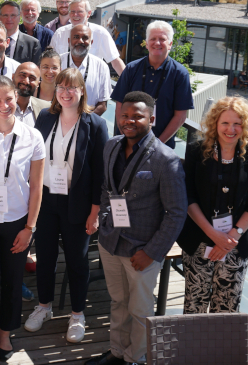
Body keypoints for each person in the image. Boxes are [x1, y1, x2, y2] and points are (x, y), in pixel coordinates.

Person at [87, 91, 187, 365]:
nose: (129, 121)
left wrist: (153, 252)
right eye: (125, 116)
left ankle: (135, 358)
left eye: (137, 116)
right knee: (118, 302)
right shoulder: (112, 145)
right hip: (110, 242)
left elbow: (176, 213)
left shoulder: (167, 161)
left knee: (140, 309)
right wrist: (105, 221)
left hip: (141, 250)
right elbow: (107, 189)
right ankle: (118, 352)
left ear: (152, 119)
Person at [26, 68, 109, 343]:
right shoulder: (45, 117)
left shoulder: (95, 125)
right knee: (45, 257)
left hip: (78, 203)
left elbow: (101, 173)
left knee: (77, 261)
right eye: (61, 86)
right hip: (46, 200)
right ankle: (45, 306)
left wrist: (95, 212)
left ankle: (77, 314)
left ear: (82, 90)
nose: (65, 92)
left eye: (72, 87)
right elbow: (34, 160)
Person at [0, 76, 45, 364]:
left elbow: (37, 186)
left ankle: (5, 334)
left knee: (13, 282)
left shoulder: (32, 137)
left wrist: (30, 228)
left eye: (9, 99)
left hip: (18, 222)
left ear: (17, 99)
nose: (4, 105)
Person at [177, 97, 248, 314]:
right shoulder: (197, 150)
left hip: (235, 243)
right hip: (199, 239)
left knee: (226, 309)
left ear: (245, 126)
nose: (231, 129)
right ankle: (193, 348)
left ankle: (220, 349)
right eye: (225, 123)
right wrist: (213, 234)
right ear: (215, 123)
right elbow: (188, 196)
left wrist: (232, 236)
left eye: (237, 123)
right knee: (194, 306)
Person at [110, 20, 194, 149]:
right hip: (126, 145)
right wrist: (127, 140)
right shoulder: (131, 69)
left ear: (170, 44)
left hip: (161, 147)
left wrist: (155, 145)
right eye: (153, 39)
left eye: (162, 39)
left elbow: (180, 116)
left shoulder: (180, 74)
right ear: (147, 43)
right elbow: (119, 106)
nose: (157, 43)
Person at [49, 0, 126, 75]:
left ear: (89, 13)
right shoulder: (60, 33)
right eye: (72, 11)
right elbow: (50, 61)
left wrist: (129, 84)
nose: (75, 15)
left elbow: (116, 62)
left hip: (91, 84)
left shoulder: (100, 33)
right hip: (63, 85)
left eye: (80, 11)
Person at [60, 24, 111, 115]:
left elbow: (102, 105)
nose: (80, 41)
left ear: (91, 42)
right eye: (76, 37)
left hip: (87, 125)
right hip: (59, 121)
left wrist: (84, 123)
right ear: (69, 41)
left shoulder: (101, 67)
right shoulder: (57, 62)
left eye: (85, 38)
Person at [0, 62, 50, 126]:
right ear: (13, 77)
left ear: (38, 84)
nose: (26, 81)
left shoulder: (46, 108)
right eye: (22, 75)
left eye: (32, 78)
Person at [0, 1, 42, 65]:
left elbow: (36, 72)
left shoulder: (33, 44)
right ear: (0, 17)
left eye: (13, 15)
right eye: (5, 15)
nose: (9, 19)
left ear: (19, 17)